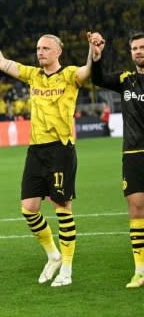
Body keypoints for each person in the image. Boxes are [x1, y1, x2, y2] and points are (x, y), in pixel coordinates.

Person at [0, 9, 94, 287]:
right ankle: (53, 255)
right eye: (38, 48)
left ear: (58, 51)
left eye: (45, 48)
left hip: (61, 149)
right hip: (36, 150)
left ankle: (66, 268)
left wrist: (93, 52)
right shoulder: (33, 76)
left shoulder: (68, 75)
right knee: (29, 208)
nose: (40, 52)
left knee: (61, 206)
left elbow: (88, 71)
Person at [89, 31, 144, 288]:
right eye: (135, 48)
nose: (139, 51)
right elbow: (97, 78)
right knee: (136, 209)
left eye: (142, 47)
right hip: (133, 154)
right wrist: (96, 56)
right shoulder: (126, 79)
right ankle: (140, 270)